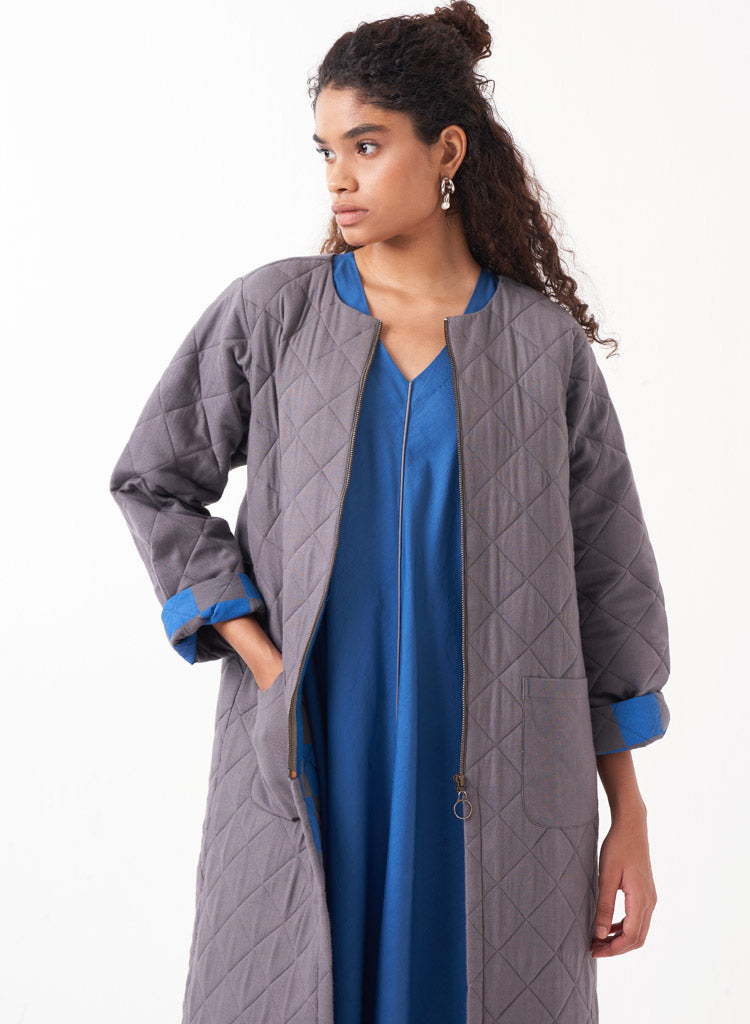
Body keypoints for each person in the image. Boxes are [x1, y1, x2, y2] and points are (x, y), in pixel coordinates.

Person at [109, 3, 671, 1023]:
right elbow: (153, 479)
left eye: (366, 146)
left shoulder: (542, 350)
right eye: (327, 151)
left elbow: (608, 589)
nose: (339, 178)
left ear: (446, 150)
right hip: (318, 744)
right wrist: (265, 662)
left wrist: (626, 814)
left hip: (504, 768)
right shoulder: (274, 314)